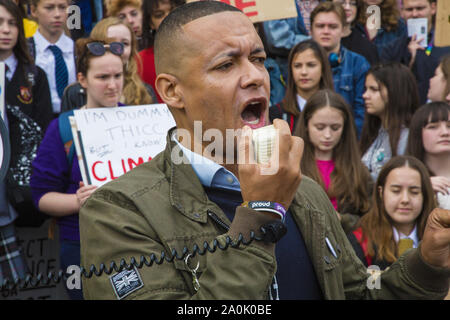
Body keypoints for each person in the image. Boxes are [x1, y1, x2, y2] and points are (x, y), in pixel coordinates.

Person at [79, 1, 450, 300]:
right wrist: (259, 216)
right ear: (172, 91)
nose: (257, 76)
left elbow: (354, 293)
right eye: (226, 64)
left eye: (257, 59)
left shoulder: (300, 189)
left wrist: (427, 264)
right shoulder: (119, 210)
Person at [30, 38, 125, 300]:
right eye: (102, 76)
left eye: (118, 75)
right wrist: (77, 200)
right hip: (82, 244)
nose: (112, 84)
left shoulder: (138, 121)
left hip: (134, 239)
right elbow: (41, 197)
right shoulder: (61, 129)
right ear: (82, 80)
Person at [1, 0, 52, 227]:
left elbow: (44, 127)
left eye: (12, 23)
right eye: (0, 22)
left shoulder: (35, 75)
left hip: (25, 181)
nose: (6, 30)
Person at [293, 89, 372, 228]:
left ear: (345, 128)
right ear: (306, 125)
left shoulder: (359, 170)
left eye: (335, 128)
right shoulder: (292, 167)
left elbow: (371, 217)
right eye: (320, 127)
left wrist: (343, 219)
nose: (328, 135)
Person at [347, 155, 436, 269]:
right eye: (396, 191)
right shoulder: (360, 242)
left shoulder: (441, 241)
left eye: (414, 192)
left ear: (425, 195)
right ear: (381, 192)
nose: (405, 199)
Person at [60, 16, 156, 112]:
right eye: (111, 42)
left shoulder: (145, 91)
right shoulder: (74, 93)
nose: (118, 50)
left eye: (124, 44)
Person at [310, 1, 370, 137]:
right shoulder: (301, 64)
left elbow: (362, 114)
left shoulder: (359, 64)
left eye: (333, 26)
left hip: (348, 143)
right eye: (320, 26)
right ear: (311, 30)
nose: (326, 31)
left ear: (343, 30)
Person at [381, 0, 450, 105]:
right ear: (402, 12)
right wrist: (410, 60)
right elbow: (390, 88)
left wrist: (421, 57)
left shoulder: (445, 45)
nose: (415, 14)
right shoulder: (391, 49)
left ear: (433, 8)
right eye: (409, 9)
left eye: (420, 8)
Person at [360, 62, 419, 181]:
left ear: (395, 92)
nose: (365, 95)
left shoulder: (409, 137)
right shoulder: (375, 133)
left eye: (374, 89)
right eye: (366, 89)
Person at [269, 39, 334, 133]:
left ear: (323, 68)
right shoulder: (276, 113)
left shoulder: (337, 109)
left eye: (311, 65)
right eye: (297, 66)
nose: (304, 72)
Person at [29, 0, 76, 117]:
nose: (57, 14)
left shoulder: (78, 50)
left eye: (62, 7)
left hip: (73, 118)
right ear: (34, 10)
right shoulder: (25, 50)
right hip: (37, 118)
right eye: (49, 8)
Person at [407, 102, 450, 208]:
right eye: (433, 127)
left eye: (449, 126)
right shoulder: (405, 176)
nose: (445, 132)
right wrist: (418, 189)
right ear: (417, 134)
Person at [139, 0, 182, 103]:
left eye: (174, 11)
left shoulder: (201, 52)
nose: (169, 17)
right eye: (159, 15)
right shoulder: (139, 62)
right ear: (151, 23)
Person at [332, 0, 379, 65]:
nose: (347, 8)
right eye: (342, 3)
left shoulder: (366, 47)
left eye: (352, 3)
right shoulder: (320, 39)